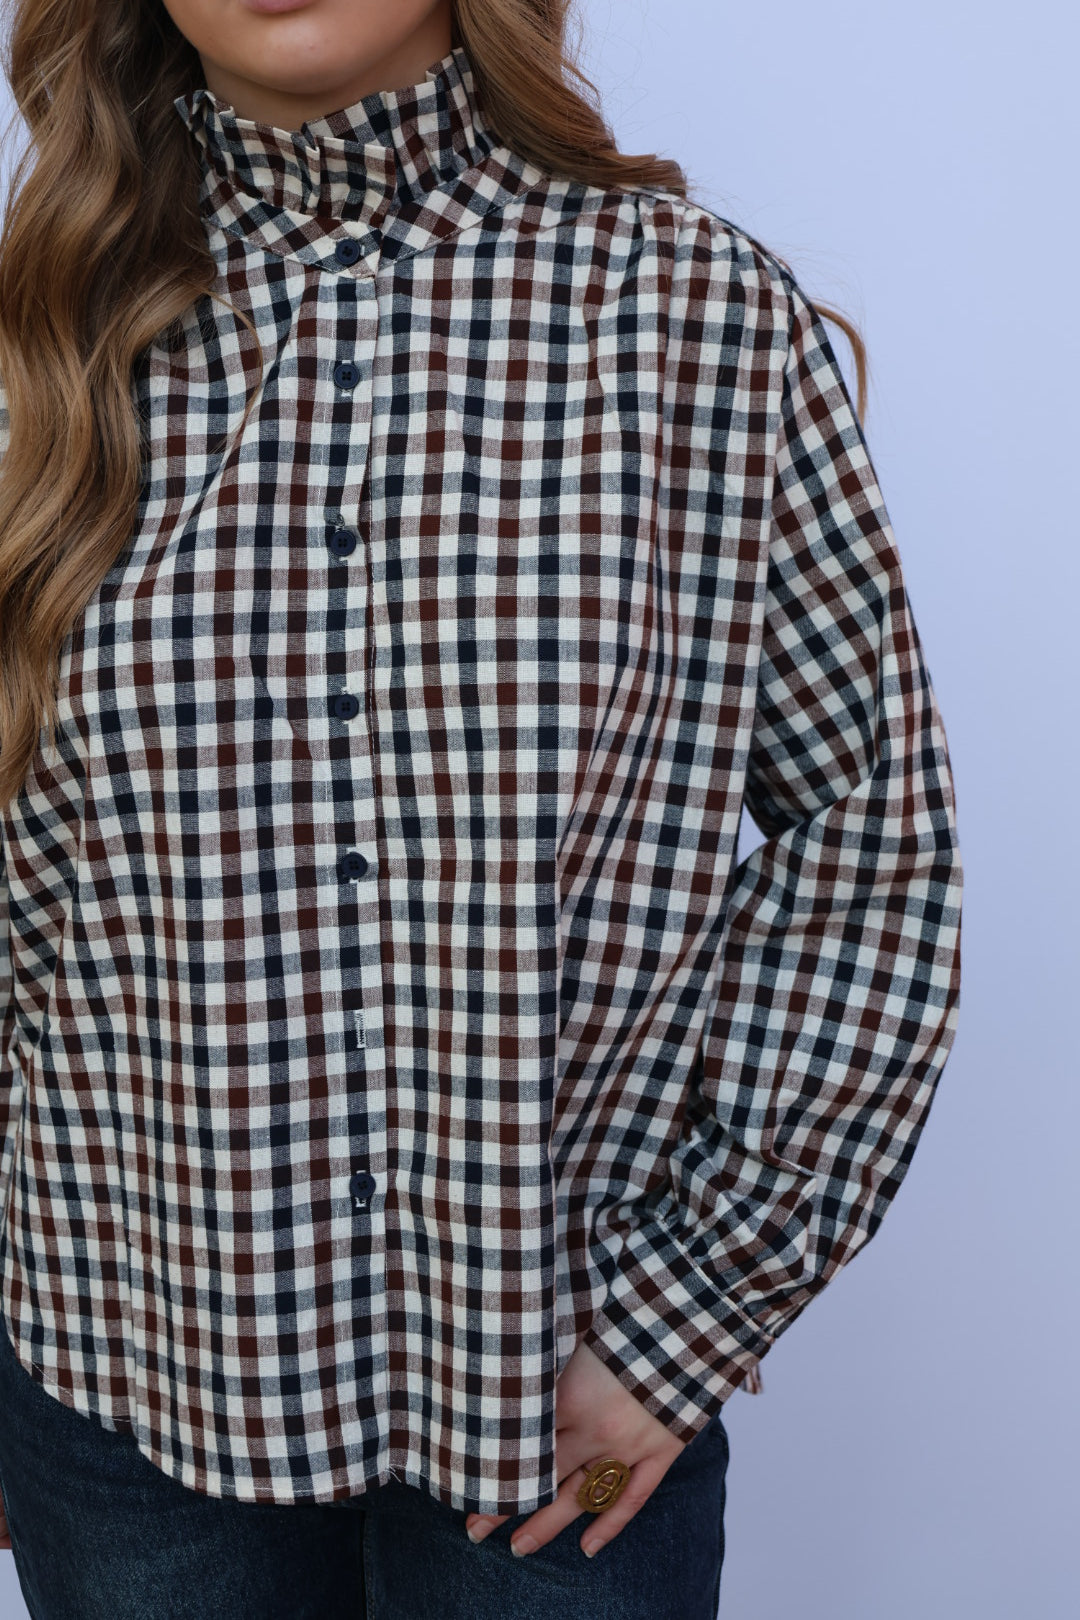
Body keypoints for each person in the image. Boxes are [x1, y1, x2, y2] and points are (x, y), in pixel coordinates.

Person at [0, 1, 964, 1615]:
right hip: (123, 1393)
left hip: (554, 1419)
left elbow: (868, 845)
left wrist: (684, 1318)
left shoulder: (692, 317)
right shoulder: (43, 338)